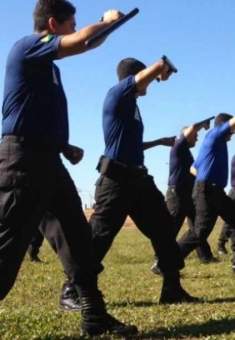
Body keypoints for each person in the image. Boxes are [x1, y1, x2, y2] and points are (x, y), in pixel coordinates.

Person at [0, 1, 136, 335]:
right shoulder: (28, 46)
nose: (74, 29)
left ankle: (93, 315)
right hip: (23, 162)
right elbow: (85, 42)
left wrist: (64, 146)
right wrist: (105, 21)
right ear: (52, 23)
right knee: (8, 246)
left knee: (77, 238)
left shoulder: (49, 68)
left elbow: (32, 113)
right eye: (70, 23)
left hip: (48, 160)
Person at [74, 57, 199, 306]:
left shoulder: (131, 106)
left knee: (163, 229)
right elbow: (148, 73)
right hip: (116, 180)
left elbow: (130, 144)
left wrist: (158, 142)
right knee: (99, 236)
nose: (149, 86)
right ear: (136, 77)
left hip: (138, 179)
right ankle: (72, 289)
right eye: (146, 80)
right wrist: (161, 69)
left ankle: (171, 288)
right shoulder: (118, 93)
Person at [177, 112, 235, 273]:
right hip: (207, 190)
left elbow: (193, 168)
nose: (233, 132)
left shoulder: (213, 144)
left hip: (215, 190)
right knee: (200, 232)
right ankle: (166, 261)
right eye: (231, 129)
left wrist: (205, 176)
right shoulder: (215, 135)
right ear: (224, 127)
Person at [161, 120, 211, 268]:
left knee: (198, 226)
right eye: (195, 135)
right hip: (177, 194)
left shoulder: (185, 151)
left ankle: (205, 256)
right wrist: (205, 124)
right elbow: (193, 127)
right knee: (172, 228)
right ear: (186, 134)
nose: (197, 138)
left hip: (188, 194)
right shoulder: (179, 145)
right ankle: (162, 258)